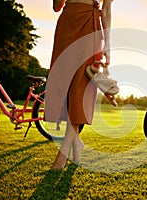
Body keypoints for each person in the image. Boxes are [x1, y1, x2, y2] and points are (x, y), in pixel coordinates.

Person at [46, 0, 113, 170]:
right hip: (67, 24)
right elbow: (56, 6)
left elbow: (106, 10)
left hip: (90, 29)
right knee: (62, 84)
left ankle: (62, 154)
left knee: (80, 88)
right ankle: (77, 143)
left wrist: (108, 44)